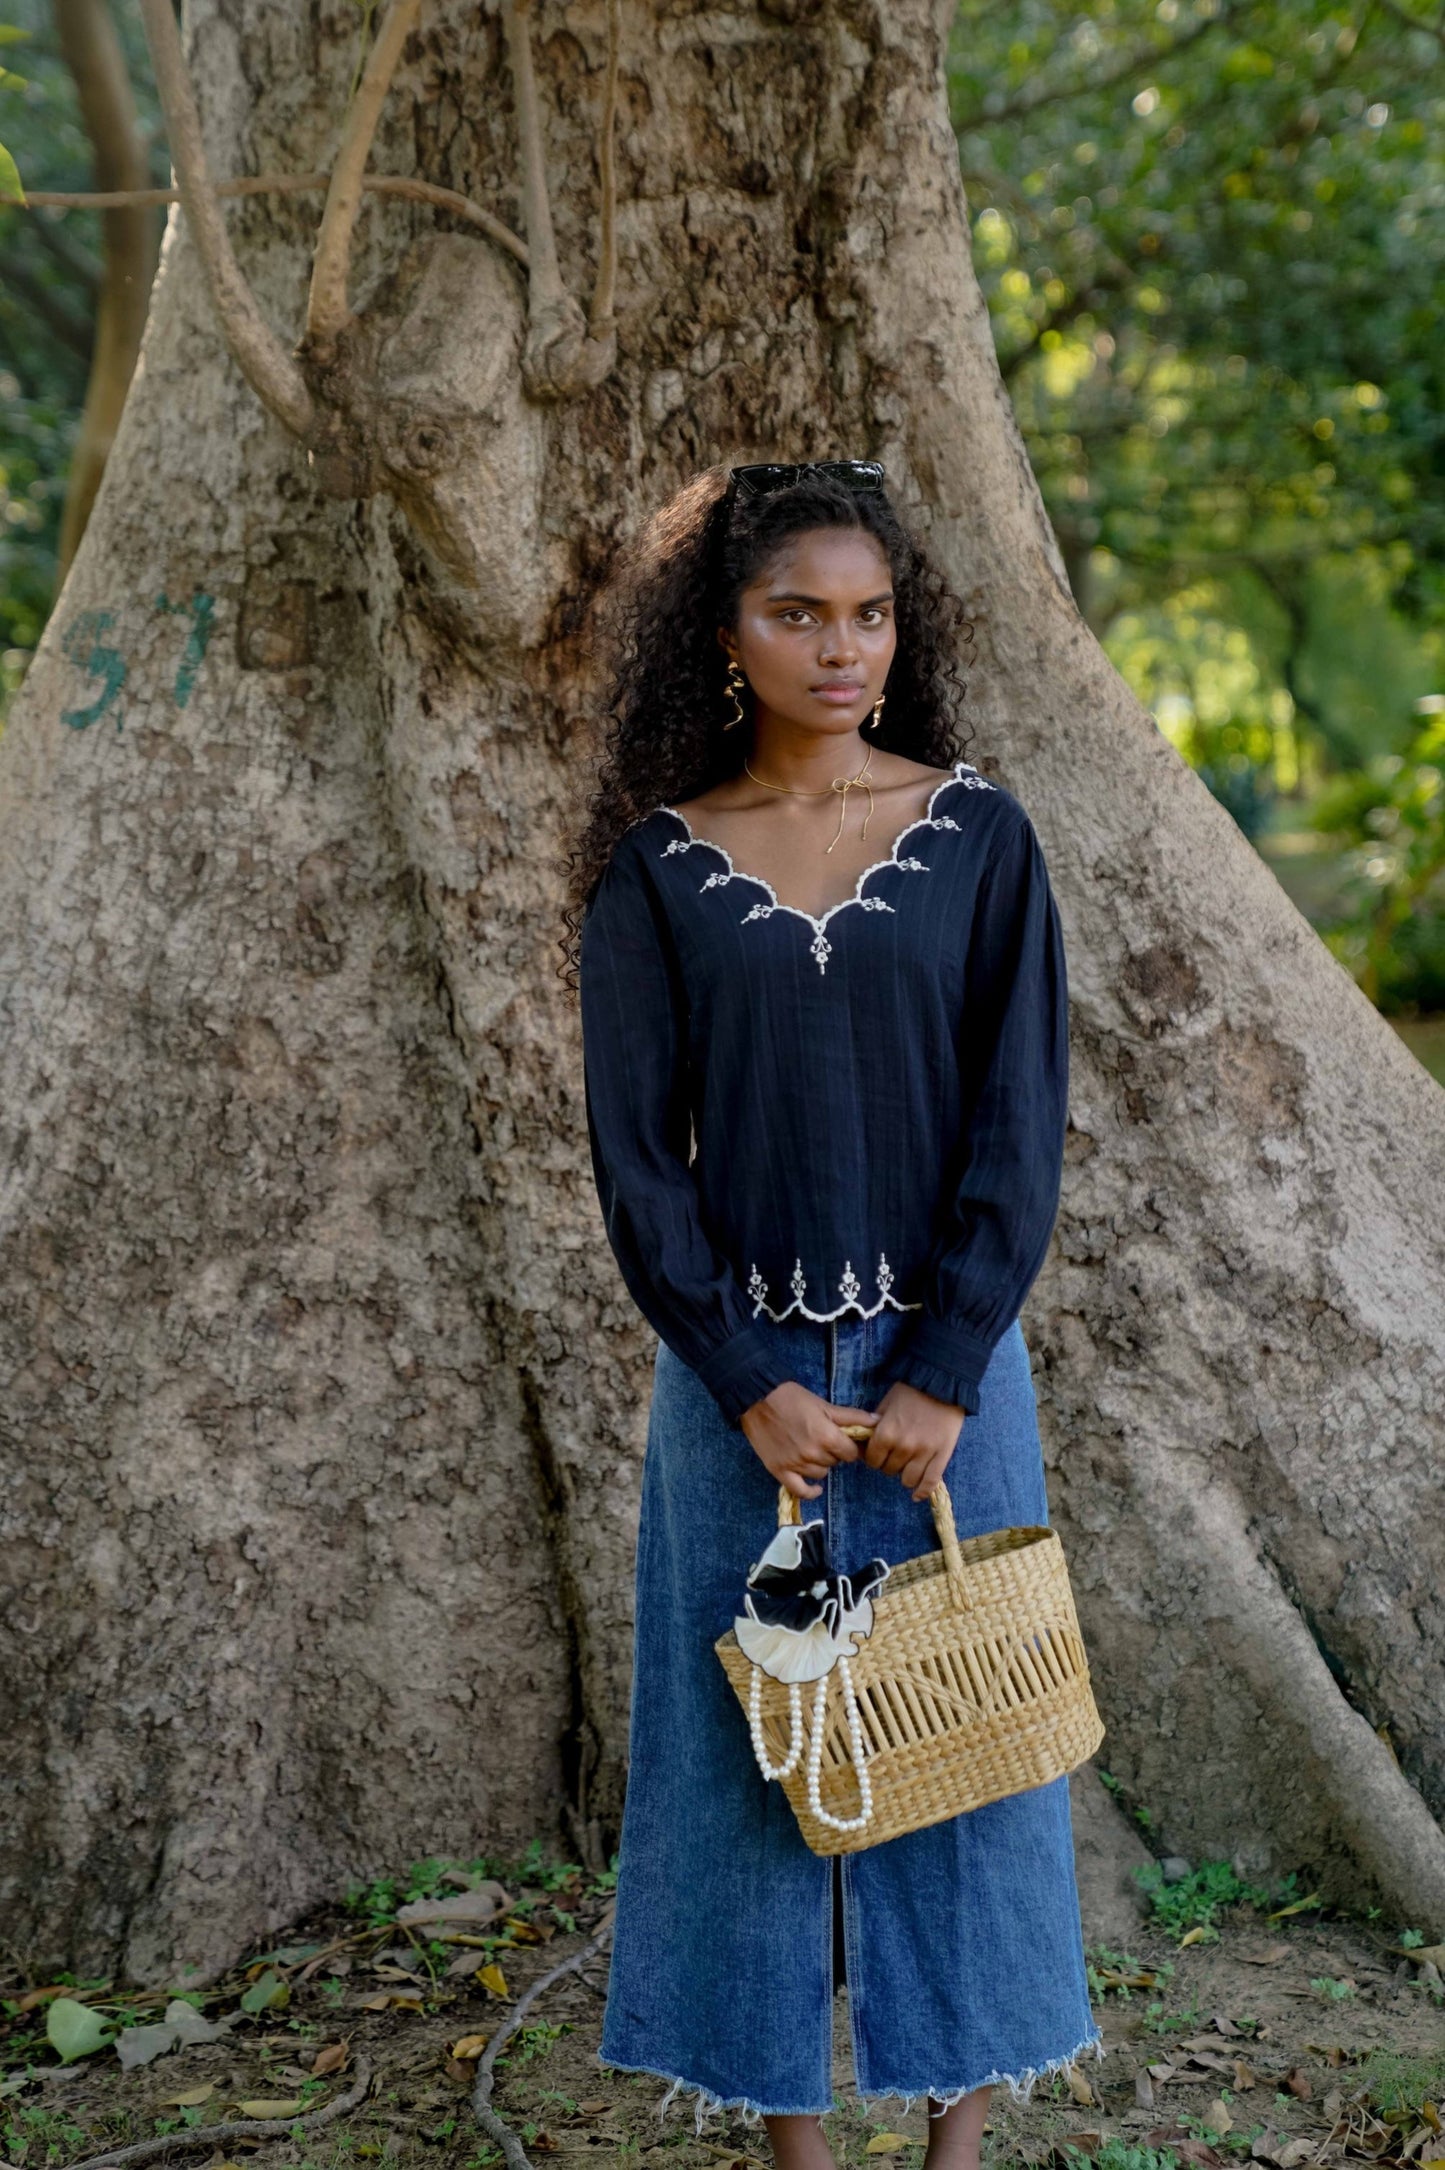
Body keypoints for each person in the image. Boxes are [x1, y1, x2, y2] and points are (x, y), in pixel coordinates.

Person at [560, 460, 1101, 2170]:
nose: (840, 646)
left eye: (868, 614)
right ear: (725, 631)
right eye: (798, 612)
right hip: (744, 1392)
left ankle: (954, 2142)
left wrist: (943, 1366)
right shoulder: (656, 868)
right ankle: (789, 2144)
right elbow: (636, 1160)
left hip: (949, 1371)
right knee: (749, 1750)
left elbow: (1018, 1122)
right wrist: (742, 1380)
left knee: (971, 1730)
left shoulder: (977, 837)